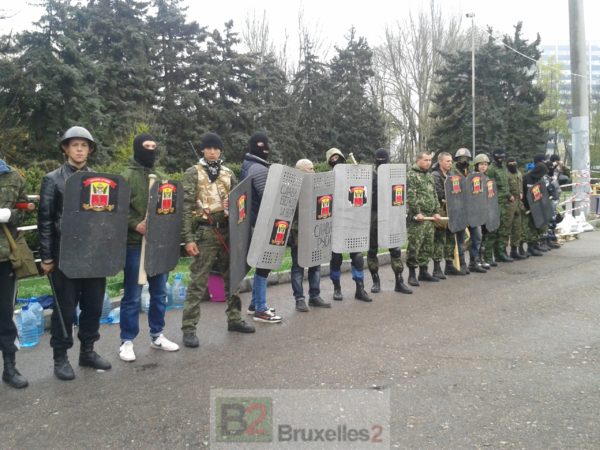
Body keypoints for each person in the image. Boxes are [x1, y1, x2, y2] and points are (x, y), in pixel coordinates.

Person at [38, 126, 111, 381]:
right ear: (66, 149)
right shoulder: (53, 179)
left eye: (84, 145)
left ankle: (87, 351)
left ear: (89, 150)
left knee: (93, 306)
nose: (79, 149)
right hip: (64, 256)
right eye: (74, 145)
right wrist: (47, 257)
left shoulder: (102, 181)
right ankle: (61, 357)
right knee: (64, 310)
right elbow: (45, 221)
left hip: (93, 256)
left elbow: (108, 219)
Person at [180, 133, 256, 348]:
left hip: (228, 230)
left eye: (216, 148)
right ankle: (189, 328)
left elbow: (238, 201)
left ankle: (234, 318)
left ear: (220, 151)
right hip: (205, 231)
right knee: (198, 282)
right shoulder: (192, 173)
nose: (212, 151)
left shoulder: (228, 173)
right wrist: (187, 239)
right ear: (202, 150)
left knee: (232, 277)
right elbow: (185, 208)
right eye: (208, 148)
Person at [117, 134, 179, 361]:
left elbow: (169, 208)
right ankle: (127, 341)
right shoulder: (125, 177)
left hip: (158, 246)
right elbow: (117, 211)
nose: (151, 150)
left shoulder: (162, 178)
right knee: (132, 295)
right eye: (146, 147)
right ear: (137, 148)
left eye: (154, 147)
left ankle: (157, 334)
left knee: (159, 293)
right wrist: (135, 225)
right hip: (134, 245)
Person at [240, 132, 282, 323]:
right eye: (260, 145)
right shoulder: (259, 169)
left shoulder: (248, 165)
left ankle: (254, 304)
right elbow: (269, 197)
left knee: (260, 262)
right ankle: (261, 309)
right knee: (264, 264)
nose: (265, 148)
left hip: (253, 221)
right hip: (261, 222)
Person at [325, 148, 372, 302]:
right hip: (336, 222)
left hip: (353, 221)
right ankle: (337, 287)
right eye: (332, 159)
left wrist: (362, 173)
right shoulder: (329, 177)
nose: (335, 160)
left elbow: (365, 192)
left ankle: (360, 287)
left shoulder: (356, 175)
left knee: (357, 256)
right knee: (336, 257)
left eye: (337, 157)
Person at [0, 158, 29, 388]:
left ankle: (9, 367)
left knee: (4, 314)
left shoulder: (13, 177)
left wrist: (9, 215)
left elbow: (25, 208)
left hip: (4, 257)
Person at [367, 149, 412, 295]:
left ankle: (399, 281)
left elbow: (401, 192)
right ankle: (375, 281)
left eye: (383, 159)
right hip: (373, 214)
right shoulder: (369, 175)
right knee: (372, 249)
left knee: (395, 248)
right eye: (379, 159)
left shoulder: (394, 174)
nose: (381, 161)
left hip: (390, 213)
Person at [288, 159, 331, 311]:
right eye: (309, 169)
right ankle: (299, 299)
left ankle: (315, 296)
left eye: (313, 168)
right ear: (299, 172)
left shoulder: (319, 185)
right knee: (298, 266)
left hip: (315, 231)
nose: (313, 172)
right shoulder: (291, 188)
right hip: (298, 233)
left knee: (316, 264)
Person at [431, 150, 469, 278]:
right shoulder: (435, 175)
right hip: (441, 211)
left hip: (453, 210)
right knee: (439, 240)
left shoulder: (453, 174)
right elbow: (439, 192)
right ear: (440, 162)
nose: (450, 164)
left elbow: (457, 190)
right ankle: (436, 268)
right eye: (447, 161)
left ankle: (448, 265)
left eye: (451, 161)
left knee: (450, 239)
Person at [406, 151, 441, 286]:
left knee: (427, 246)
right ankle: (412, 274)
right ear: (418, 160)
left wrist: (436, 211)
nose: (428, 163)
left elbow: (434, 195)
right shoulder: (411, 175)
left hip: (430, 218)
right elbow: (410, 196)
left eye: (430, 160)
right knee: (415, 246)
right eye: (425, 160)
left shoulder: (429, 176)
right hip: (418, 218)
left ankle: (424, 271)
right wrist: (417, 212)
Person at [483, 148, 514, 263]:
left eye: (502, 156)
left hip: (504, 203)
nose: (500, 158)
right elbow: (490, 187)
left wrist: (509, 195)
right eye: (498, 156)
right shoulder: (491, 169)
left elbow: (505, 186)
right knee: (493, 230)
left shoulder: (503, 168)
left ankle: (500, 253)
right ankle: (487, 256)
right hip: (494, 203)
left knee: (502, 230)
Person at [522, 154, 548, 257]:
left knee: (538, 227)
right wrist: (525, 206)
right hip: (528, 208)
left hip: (537, 206)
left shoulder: (539, 179)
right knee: (530, 228)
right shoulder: (526, 178)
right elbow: (523, 193)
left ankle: (535, 244)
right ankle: (530, 247)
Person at [469, 154, 491, 272]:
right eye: (481, 164)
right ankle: (474, 261)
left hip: (485, 211)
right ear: (477, 165)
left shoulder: (487, 178)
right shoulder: (473, 178)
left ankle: (481, 259)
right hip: (475, 213)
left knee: (484, 237)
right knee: (477, 237)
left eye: (486, 164)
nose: (483, 167)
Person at [505, 156, 527, 260]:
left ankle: (514, 249)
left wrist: (521, 193)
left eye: (514, 163)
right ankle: (503, 251)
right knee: (507, 227)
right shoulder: (506, 174)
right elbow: (504, 187)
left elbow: (520, 184)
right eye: (511, 164)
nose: (513, 165)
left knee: (517, 227)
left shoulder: (518, 173)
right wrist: (509, 195)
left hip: (518, 202)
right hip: (509, 203)